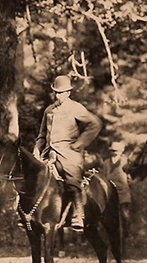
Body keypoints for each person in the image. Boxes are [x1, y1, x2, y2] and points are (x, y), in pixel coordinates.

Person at [33, 75, 102, 232]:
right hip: (47, 153)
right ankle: (27, 215)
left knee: (72, 178)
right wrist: (37, 149)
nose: (58, 95)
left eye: (61, 92)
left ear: (68, 92)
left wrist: (79, 144)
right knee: (31, 175)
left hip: (68, 153)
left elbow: (95, 124)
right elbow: (42, 134)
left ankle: (78, 214)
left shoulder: (75, 108)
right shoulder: (49, 110)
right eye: (56, 92)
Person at [102, 140, 131, 239]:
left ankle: (126, 235)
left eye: (116, 150)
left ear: (121, 151)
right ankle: (111, 236)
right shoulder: (106, 163)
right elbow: (104, 177)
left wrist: (128, 181)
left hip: (123, 191)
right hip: (110, 192)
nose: (114, 152)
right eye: (112, 151)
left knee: (124, 214)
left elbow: (130, 176)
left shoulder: (126, 161)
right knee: (110, 215)